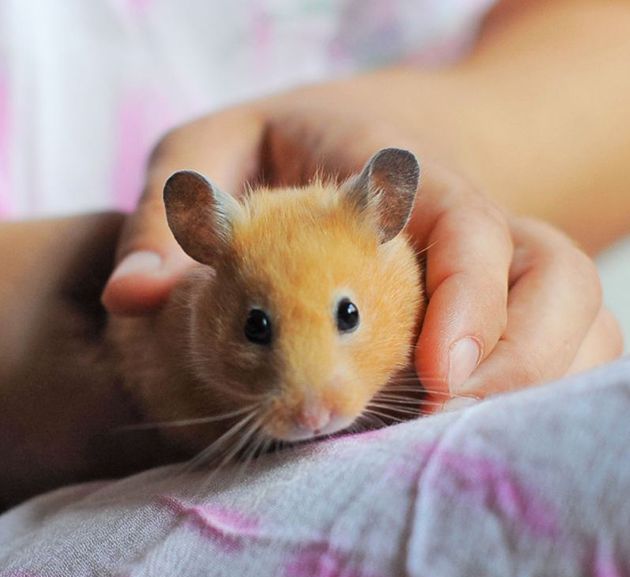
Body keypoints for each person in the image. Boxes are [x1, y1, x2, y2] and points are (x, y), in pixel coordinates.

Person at [0, 0, 627, 505]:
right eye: (257, 328)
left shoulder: (397, 268)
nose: (313, 404)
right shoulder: (182, 310)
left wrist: (465, 168)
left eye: (346, 317)